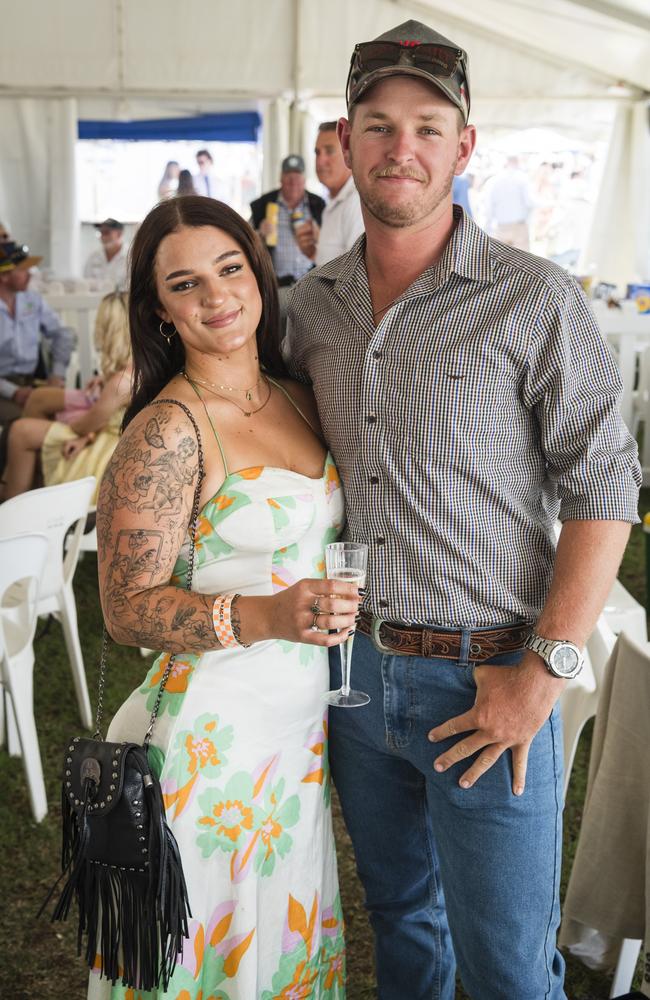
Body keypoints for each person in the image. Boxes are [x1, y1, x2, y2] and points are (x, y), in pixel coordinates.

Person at [286, 18, 641, 1000]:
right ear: (346, 142)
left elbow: (604, 484)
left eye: (426, 126)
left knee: (507, 969)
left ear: (463, 145)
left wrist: (543, 671)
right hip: (355, 681)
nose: (400, 146)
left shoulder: (533, 297)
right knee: (403, 932)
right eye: (376, 124)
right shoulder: (309, 308)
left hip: (491, 681)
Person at [88, 195, 356, 998]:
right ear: (160, 311)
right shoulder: (169, 430)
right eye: (185, 284)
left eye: (231, 268)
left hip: (293, 731)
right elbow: (126, 606)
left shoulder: (296, 393)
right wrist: (267, 615)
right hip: (206, 740)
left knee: (277, 942)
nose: (217, 297)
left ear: (260, 271)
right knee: (204, 956)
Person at [1, 291, 131, 504]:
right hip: (104, 431)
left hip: (108, 444)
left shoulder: (123, 380)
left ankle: (12, 503)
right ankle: (19, 489)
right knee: (32, 416)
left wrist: (79, 432)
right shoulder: (136, 367)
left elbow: (86, 423)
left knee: (20, 431)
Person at [0, 240, 74, 425]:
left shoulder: (32, 300)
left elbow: (62, 334)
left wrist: (57, 375)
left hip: (32, 384)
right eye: (23, 269)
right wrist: (13, 391)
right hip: (4, 389)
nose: (30, 274)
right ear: (5, 275)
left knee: (68, 417)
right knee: (25, 425)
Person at [294, 122, 364, 266]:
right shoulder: (334, 202)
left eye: (329, 151)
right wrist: (314, 253)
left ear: (349, 153)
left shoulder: (356, 202)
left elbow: (357, 277)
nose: (320, 161)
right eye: (317, 153)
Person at [250, 155, 325, 287]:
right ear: (280, 178)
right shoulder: (263, 204)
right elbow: (246, 241)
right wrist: (259, 233)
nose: (293, 181)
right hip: (275, 283)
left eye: (297, 176)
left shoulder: (318, 204)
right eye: (288, 176)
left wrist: (321, 235)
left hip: (312, 282)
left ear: (304, 179)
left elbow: (332, 244)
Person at [484, 155, 535, 250]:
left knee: (502, 261)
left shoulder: (493, 181)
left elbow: (489, 208)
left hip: (501, 226)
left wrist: (488, 227)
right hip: (519, 226)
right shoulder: (523, 178)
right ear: (517, 162)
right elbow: (530, 202)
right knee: (522, 261)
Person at [83, 218, 128, 289]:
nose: (103, 237)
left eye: (107, 233)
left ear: (119, 234)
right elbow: (86, 283)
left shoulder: (130, 257)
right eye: (101, 233)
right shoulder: (93, 257)